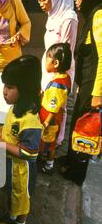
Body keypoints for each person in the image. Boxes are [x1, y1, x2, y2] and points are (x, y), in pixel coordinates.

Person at [0, 55, 42, 224]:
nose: (4, 92)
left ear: (25, 89)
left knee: (22, 199)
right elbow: (11, 129)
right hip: (9, 164)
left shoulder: (30, 122)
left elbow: (30, 153)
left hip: (22, 172)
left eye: (10, 88)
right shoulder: (15, 108)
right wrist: (0, 131)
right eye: (5, 86)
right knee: (10, 194)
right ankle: (10, 216)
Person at [60, 0, 102, 185]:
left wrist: (96, 95)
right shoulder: (92, 14)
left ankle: (76, 173)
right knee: (77, 123)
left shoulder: (99, 15)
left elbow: (101, 59)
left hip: (92, 87)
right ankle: (70, 160)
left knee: (85, 129)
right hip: (85, 84)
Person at [37, 0, 78, 145]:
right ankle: (44, 143)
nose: (40, 3)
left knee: (57, 109)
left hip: (60, 72)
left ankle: (54, 146)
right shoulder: (53, 14)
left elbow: (65, 51)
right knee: (46, 106)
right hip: (49, 68)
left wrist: (55, 77)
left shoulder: (68, 18)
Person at [39, 43, 72, 174]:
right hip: (57, 116)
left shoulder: (56, 85)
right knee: (50, 141)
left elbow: (53, 106)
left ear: (56, 63)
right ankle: (47, 160)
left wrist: (47, 121)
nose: (45, 61)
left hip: (50, 118)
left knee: (49, 142)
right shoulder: (66, 78)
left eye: (47, 58)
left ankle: (48, 166)